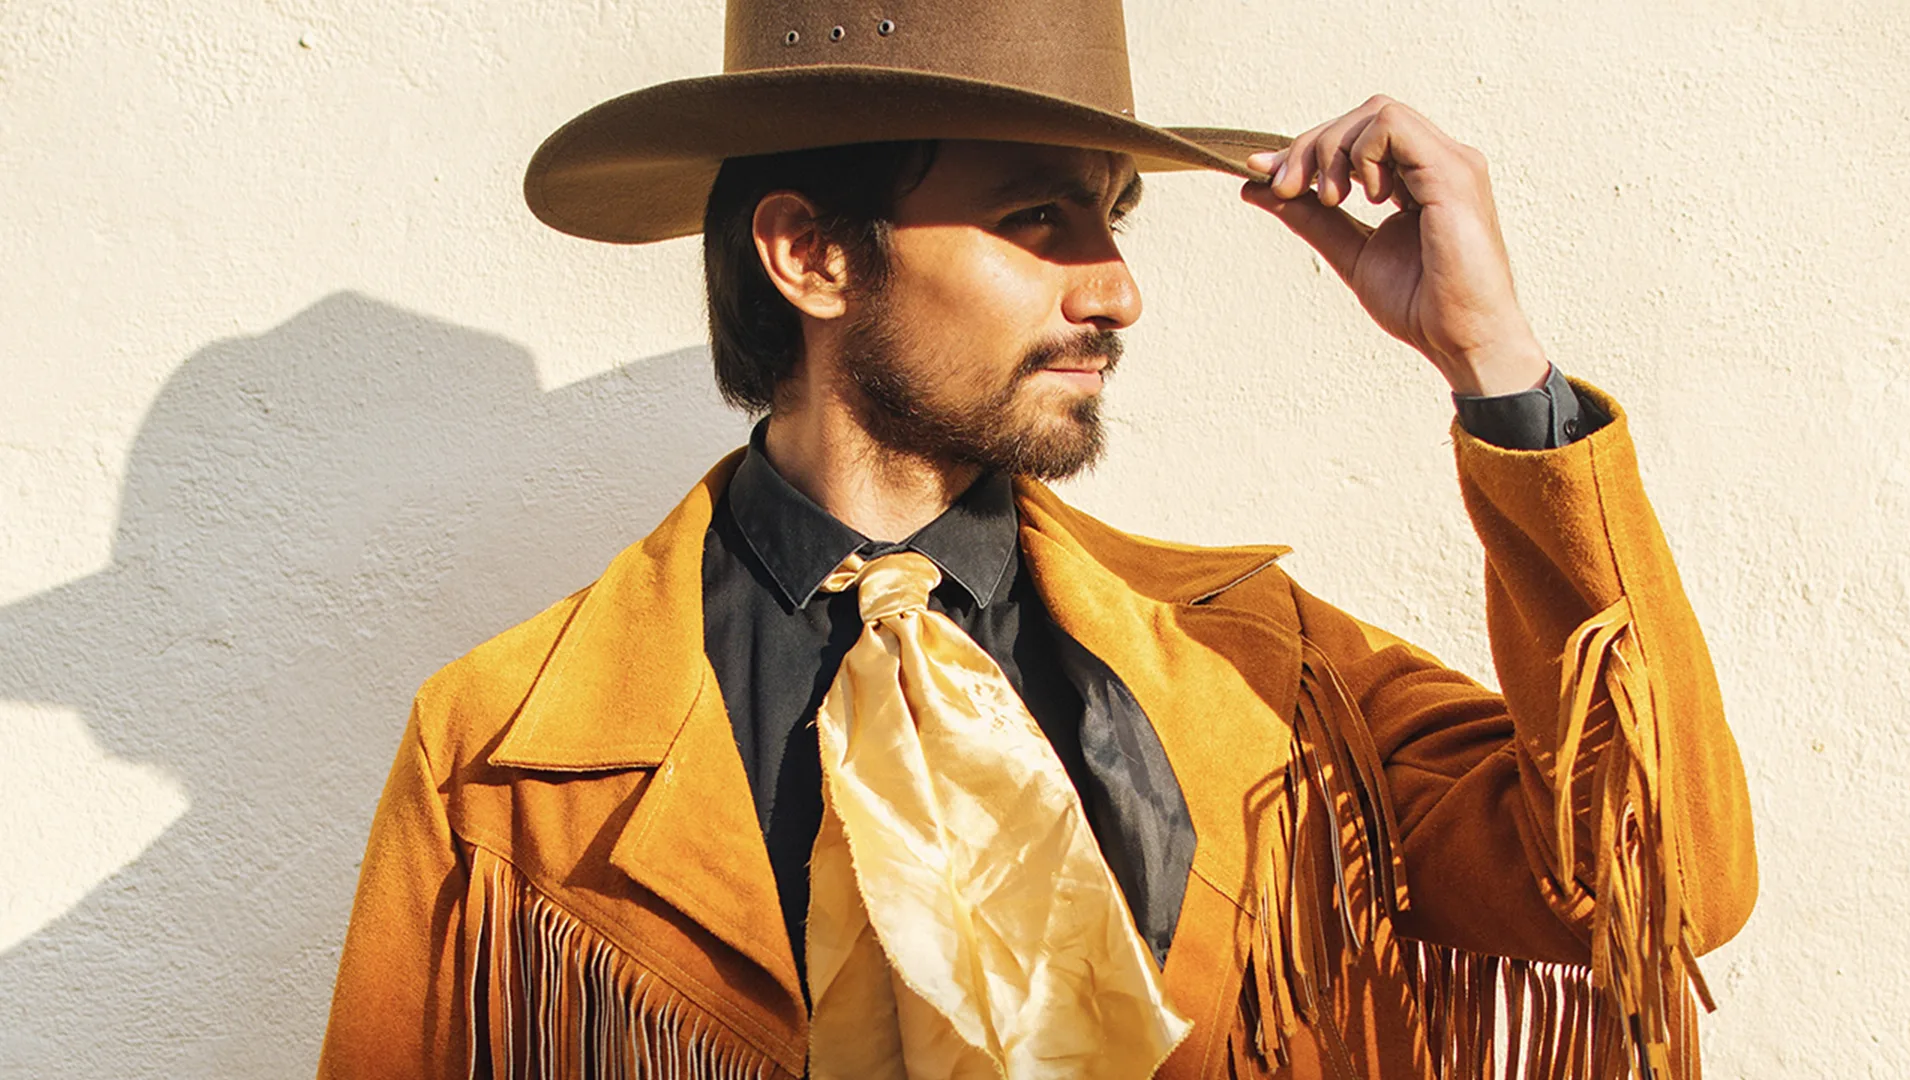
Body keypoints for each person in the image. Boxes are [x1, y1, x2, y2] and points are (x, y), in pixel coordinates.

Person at [318, 1, 1757, 1077]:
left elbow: (1662, 881)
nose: (1118, 289)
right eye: (1038, 216)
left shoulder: (1264, 672)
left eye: (1113, 216)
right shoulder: (506, 760)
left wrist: (1496, 366)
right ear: (809, 253)